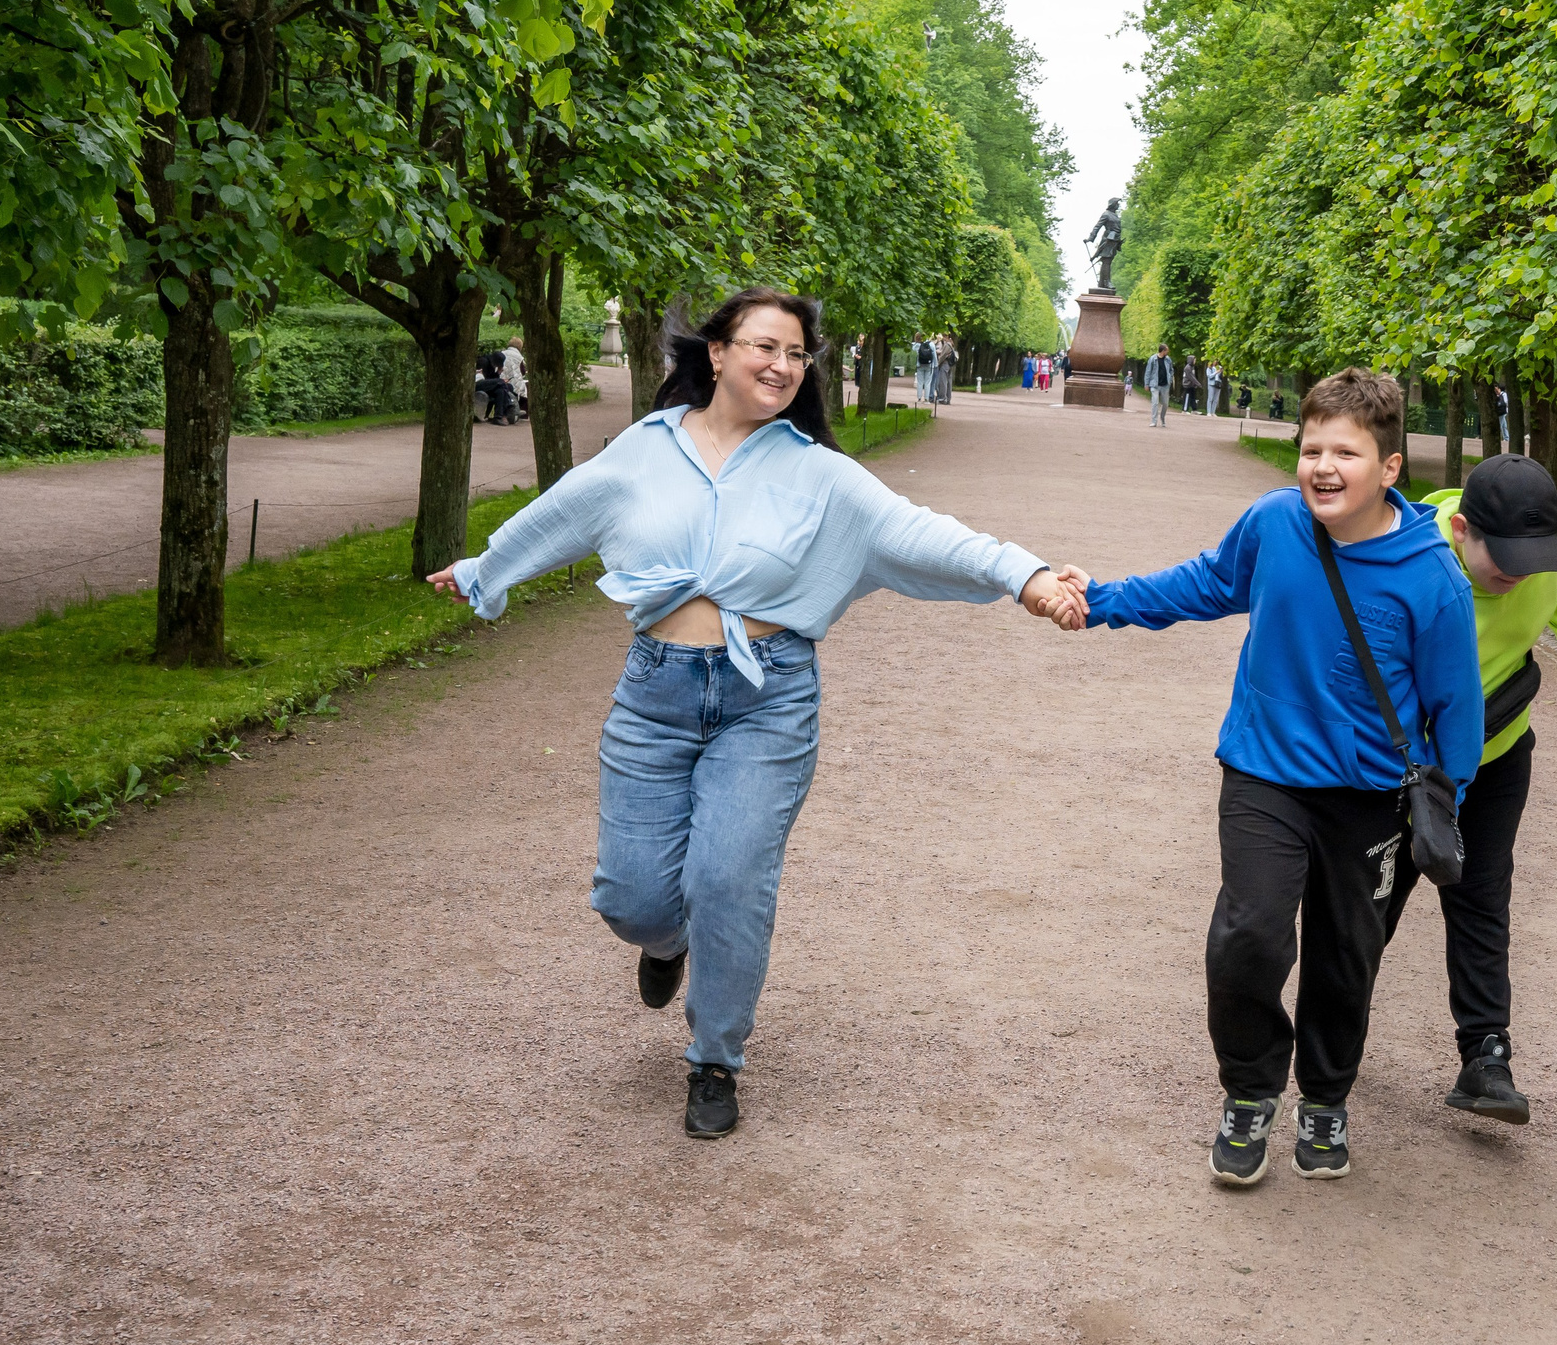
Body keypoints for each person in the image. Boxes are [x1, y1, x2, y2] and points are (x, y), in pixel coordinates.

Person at [427, 287, 1090, 1140]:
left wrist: (1026, 576)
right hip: (655, 692)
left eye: (796, 354)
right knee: (633, 898)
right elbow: (566, 509)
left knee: (728, 878)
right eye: (765, 347)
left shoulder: (818, 472)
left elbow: (920, 531)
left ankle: (714, 1058)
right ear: (717, 351)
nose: (782, 365)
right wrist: (488, 567)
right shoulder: (645, 450)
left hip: (767, 698)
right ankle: (665, 944)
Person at [1076, 369, 1483, 1186]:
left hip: (1370, 800)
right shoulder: (1274, 524)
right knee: (1250, 936)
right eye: (1311, 448)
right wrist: (1102, 600)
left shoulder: (1431, 577)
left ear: (1392, 468)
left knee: (1345, 957)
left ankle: (1326, 1097)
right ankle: (1251, 1088)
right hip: (1264, 774)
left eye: (1347, 452)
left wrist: (1444, 813)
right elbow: (1204, 584)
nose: (1323, 466)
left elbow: (1457, 712)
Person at [1384, 455, 1557, 1124]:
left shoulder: (1544, 564)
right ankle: (1330, 1036)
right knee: (1372, 898)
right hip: (1399, 760)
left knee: (1480, 892)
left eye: (1535, 559)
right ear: (1462, 528)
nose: (1520, 573)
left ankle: (1485, 1055)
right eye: (1504, 559)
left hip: (1495, 751)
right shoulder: (1405, 552)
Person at [1143, 344, 1174, 427]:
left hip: (1165, 385)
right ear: (1163, 351)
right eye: (1167, 350)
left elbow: (1171, 370)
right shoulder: (1153, 359)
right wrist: (1146, 384)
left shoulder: (1168, 360)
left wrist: (1170, 380)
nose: (1168, 352)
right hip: (1154, 384)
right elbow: (1148, 371)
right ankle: (1154, 421)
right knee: (1155, 403)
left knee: (1165, 404)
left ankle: (1162, 418)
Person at [503, 336, 530, 417]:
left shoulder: (503, 353)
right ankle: (523, 414)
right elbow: (522, 372)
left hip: (502, 379)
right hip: (514, 381)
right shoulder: (519, 357)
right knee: (524, 390)